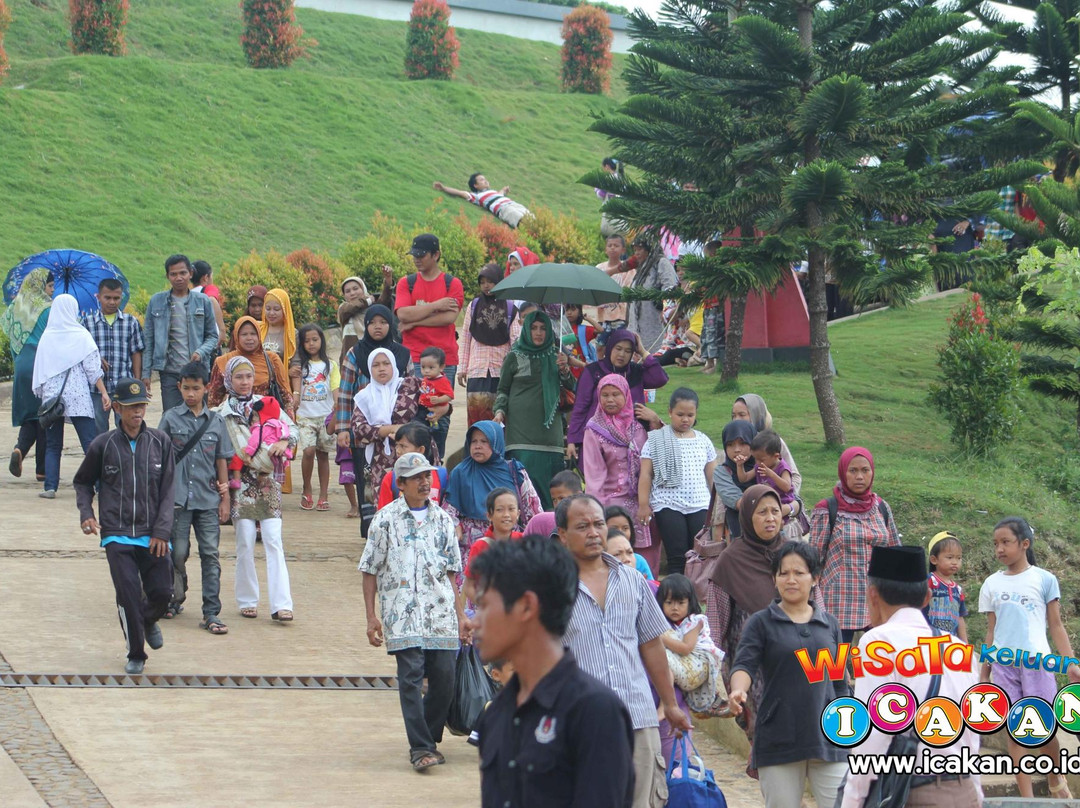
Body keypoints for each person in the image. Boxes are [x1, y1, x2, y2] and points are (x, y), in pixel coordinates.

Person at [470, 535, 635, 808]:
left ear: (526, 606)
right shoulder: (497, 712)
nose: (474, 622)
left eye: (484, 606)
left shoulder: (594, 710)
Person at [558, 493, 692, 808]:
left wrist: (670, 704)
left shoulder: (633, 581)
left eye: (598, 524)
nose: (593, 532)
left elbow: (651, 645)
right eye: (582, 526)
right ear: (562, 534)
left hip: (638, 718)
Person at [840, 545, 982, 808]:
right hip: (964, 792)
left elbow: (873, 737)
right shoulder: (959, 649)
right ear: (927, 597)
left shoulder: (878, 643)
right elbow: (972, 735)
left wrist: (852, 800)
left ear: (872, 595)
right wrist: (976, 794)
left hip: (915, 795)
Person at [359, 452, 467, 772]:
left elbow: (452, 574)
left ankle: (428, 737)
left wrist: (461, 616)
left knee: (445, 679)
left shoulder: (443, 520)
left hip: (440, 614)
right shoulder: (384, 520)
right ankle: (420, 747)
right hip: (401, 614)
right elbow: (369, 569)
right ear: (400, 484)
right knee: (410, 678)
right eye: (416, 477)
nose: (424, 482)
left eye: (427, 476)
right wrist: (371, 617)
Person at [728, 542, 848, 808]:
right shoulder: (760, 622)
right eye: (783, 573)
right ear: (774, 578)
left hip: (829, 740)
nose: (790, 580)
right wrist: (738, 690)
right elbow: (744, 665)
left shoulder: (830, 625)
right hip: (779, 738)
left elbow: (840, 684)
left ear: (815, 578)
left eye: (799, 573)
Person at [73, 378, 174, 674]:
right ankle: (136, 653)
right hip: (116, 535)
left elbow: (169, 490)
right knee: (128, 594)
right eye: (131, 407)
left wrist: (162, 530)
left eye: (141, 405)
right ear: (117, 408)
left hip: (152, 533)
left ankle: (147, 619)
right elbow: (82, 482)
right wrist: (86, 513)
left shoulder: (160, 442)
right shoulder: (102, 445)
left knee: (163, 592)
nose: (137, 411)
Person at [978, 517, 1079, 800]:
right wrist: (985, 672)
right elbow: (991, 630)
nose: (999, 549)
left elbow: (1056, 625)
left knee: (1043, 726)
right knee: (1014, 729)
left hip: (1037, 663)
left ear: (1024, 544)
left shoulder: (1045, 579)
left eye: (1005, 542)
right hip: (1003, 665)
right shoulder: (991, 584)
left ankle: (1055, 778)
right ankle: (1026, 800)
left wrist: (1071, 663)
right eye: (996, 543)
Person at [213, 356, 297, 622]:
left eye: (249, 376)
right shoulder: (221, 414)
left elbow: (293, 430)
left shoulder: (268, 404)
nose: (245, 382)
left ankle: (282, 604)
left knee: (273, 539)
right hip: (240, 482)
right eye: (239, 377)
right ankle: (247, 600)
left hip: (267, 480)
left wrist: (284, 443)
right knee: (245, 540)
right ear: (229, 380)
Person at [707, 485, 783, 761]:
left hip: (793, 657)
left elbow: (816, 603)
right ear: (748, 517)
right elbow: (715, 622)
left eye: (775, 511)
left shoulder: (793, 553)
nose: (770, 518)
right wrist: (711, 669)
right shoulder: (731, 561)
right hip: (751, 664)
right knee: (764, 732)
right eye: (762, 512)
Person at [156, 362, 232, 634]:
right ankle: (175, 594)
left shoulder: (216, 422)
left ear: (206, 388)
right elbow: (159, 457)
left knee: (210, 555)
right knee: (177, 553)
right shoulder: (169, 419)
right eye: (186, 388)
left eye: (196, 388)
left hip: (208, 498)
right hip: (176, 499)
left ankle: (211, 612)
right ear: (179, 387)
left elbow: (221, 459)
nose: (191, 393)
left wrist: (225, 499)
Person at [809, 447, 900, 643]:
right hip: (838, 601)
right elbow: (813, 558)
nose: (859, 476)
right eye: (853, 470)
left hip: (876, 599)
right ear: (843, 472)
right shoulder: (827, 509)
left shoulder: (881, 508)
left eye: (865, 470)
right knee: (835, 658)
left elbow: (895, 553)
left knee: (879, 656)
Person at [493, 310, 576, 507]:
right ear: (526, 330)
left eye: (543, 328)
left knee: (551, 485)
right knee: (522, 483)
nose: (538, 333)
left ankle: (550, 521)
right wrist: (499, 411)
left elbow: (572, 386)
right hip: (519, 432)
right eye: (534, 328)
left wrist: (564, 369)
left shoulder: (556, 355)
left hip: (550, 433)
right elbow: (503, 389)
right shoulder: (514, 356)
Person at [33, 294, 111, 499]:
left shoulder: (47, 337)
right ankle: (100, 486)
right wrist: (103, 392)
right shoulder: (81, 336)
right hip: (78, 397)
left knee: (53, 444)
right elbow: (93, 369)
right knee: (89, 443)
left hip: (53, 399)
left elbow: (39, 370)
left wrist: (43, 395)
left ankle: (50, 487)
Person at [582, 373, 660, 575]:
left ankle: (648, 586)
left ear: (626, 395)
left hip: (643, 499)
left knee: (646, 555)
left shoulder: (639, 425)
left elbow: (659, 455)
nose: (610, 400)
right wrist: (596, 511)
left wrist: (656, 421)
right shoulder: (594, 430)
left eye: (615, 394)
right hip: (611, 502)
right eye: (605, 395)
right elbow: (594, 475)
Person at [638, 388, 717, 576]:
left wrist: (717, 505)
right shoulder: (656, 440)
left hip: (699, 504)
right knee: (677, 556)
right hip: (668, 504)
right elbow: (646, 474)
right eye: (680, 414)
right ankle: (675, 593)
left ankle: (695, 594)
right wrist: (643, 504)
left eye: (690, 415)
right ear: (670, 412)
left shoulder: (703, 441)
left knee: (699, 555)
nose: (685, 419)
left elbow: (712, 476)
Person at [444, 421, 543, 562]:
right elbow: (448, 511)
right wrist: (455, 526)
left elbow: (532, 509)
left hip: (510, 544)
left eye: (484, 441)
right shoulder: (460, 472)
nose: (478, 446)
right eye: (474, 441)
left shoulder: (515, 471)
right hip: (471, 548)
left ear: (496, 443)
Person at [566, 328, 668, 453]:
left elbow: (660, 379)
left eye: (628, 351)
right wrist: (572, 441)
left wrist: (642, 351)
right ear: (610, 348)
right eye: (618, 348)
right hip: (597, 441)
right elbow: (580, 407)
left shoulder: (635, 371)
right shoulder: (593, 371)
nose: (622, 354)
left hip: (633, 441)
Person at [142, 255, 219, 412]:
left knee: (198, 416)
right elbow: (149, 339)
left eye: (183, 273)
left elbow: (213, 336)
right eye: (173, 274)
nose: (179, 278)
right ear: (167, 276)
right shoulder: (156, 301)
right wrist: (146, 373)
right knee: (172, 417)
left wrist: (200, 352)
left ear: (190, 273)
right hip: (169, 373)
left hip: (197, 371)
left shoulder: (203, 301)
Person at [352, 348, 424, 503]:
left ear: (394, 365)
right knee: (386, 505)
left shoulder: (411, 385)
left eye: (386, 363)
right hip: (382, 461)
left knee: (419, 501)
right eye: (376, 365)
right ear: (370, 369)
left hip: (416, 455)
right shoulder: (364, 397)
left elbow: (433, 401)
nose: (381, 368)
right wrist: (390, 429)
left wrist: (444, 408)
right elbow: (359, 430)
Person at [395, 233, 464, 387]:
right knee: (413, 402)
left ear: (436, 255)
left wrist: (414, 322)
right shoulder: (406, 283)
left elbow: (448, 318)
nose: (416, 259)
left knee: (441, 401)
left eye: (421, 255)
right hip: (414, 357)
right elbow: (403, 314)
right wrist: (436, 305)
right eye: (414, 255)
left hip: (444, 359)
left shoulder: (452, 284)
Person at [3, 268, 53, 481]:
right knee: (45, 416)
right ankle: (42, 469)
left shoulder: (15, 306)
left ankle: (20, 450)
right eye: (50, 286)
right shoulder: (48, 308)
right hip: (41, 363)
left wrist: (19, 361)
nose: (52, 290)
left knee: (31, 415)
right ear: (41, 286)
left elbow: (11, 338)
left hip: (22, 364)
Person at [81, 277, 145, 435]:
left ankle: (124, 451)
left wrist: (137, 381)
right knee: (98, 430)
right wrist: (96, 358)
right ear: (98, 297)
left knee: (126, 428)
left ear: (121, 297)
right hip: (96, 388)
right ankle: (101, 452)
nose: (112, 302)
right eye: (107, 298)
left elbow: (136, 352)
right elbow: (81, 353)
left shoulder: (130, 322)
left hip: (123, 385)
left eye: (116, 298)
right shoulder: (87, 323)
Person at [457, 263, 518, 426]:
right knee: (476, 418)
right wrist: (462, 368)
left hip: (501, 372)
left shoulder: (510, 307)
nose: (486, 285)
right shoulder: (474, 306)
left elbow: (516, 342)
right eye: (482, 282)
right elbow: (466, 338)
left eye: (490, 281)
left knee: (499, 418)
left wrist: (516, 371)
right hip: (477, 371)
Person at [656, 573, 725, 713]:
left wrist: (660, 638)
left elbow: (686, 648)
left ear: (690, 602)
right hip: (689, 668)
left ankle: (665, 706)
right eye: (669, 603)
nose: (675, 608)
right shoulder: (672, 623)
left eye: (680, 603)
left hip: (697, 666)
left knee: (662, 657)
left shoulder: (695, 621)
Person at [290, 323, 339, 512]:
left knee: (323, 455)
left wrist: (337, 404)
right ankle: (307, 487)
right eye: (307, 341)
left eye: (315, 340)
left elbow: (335, 386)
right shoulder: (299, 366)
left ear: (321, 341)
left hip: (325, 417)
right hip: (305, 416)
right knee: (308, 451)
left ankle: (323, 494)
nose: (311, 344)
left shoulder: (330, 365)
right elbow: (293, 384)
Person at [208, 317, 293, 410]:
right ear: (236, 336)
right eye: (244, 334)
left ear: (259, 335)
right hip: (232, 416)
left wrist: (288, 418)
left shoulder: (272, 359)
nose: (249, 338)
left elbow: (286, 397)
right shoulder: (223, 361)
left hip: (266, 416)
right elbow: (214, 400)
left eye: (253, 334)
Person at [730, 394, 802, 495]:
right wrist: (740, 465)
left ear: (756, 415)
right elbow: (741, 478)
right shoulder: (732, 441)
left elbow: (794, 478)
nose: (736, 420)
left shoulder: (771, 442)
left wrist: (788, 499)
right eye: (733, 416)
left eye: (742, 415)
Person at [463, 487, 523, 601]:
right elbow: (469, 586)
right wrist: (486, 606)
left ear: (518, 513)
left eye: (511, 509)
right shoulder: (480, 546)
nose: (506, 515)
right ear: (489, 515)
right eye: (500, 510)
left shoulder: (523, 541)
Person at [625, 236, 679, 354]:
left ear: (650, 248)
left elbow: (671, 288)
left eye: (640, 249)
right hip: (638, 324)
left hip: (654, 320)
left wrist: (665, 308)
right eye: (635, 250)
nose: (637, 253)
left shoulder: (661, 263)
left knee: (653, 355)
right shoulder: (643, 268)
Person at [376, 422, 447, 509]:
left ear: (420, 450)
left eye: (403, 446)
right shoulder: (391, 478)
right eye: (397, 445)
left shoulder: (442, 476)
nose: (398, 451)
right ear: (400, 483)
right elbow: (383, 512)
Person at [433, 173, 533, 228]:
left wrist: (504, 190)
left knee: (532, 218)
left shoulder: (493, 192)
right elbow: (460, 193)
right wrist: (443, 188)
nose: (485, 180)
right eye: (481, 180)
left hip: (513, 204)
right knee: (521, 220)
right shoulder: (477, 196)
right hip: (503, 209)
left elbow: (500, 194)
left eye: (485, 179)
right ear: (475, 185)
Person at [338, 270, 393, 366]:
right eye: (347, 291)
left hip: (373, 358)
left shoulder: (372, 308)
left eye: (355, 288)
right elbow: (352, 308)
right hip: (351, 360)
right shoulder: (343, 309)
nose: (352, 293)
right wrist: (367, 301)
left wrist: (388, 281)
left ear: (363, 288)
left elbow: (384, 299)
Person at [713, 419, 758, 538]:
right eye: (730, 444)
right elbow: (738, 502)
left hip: (772, 532)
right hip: (740, 536)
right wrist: (778, 507)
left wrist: (792, 506)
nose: (737, 449)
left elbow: (789, 494)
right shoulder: (722, 472)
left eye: (742, 443)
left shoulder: (766, 465)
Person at [924, 530, 967, 641]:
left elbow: (960, 618)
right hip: (928, 640)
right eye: (950, 557)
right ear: (934, 559)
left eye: (958, 558)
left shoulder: (957, 589)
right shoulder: (929, 581)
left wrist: (965, 644)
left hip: (950, 642)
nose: (955, 562)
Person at [417, 346, 454, 459]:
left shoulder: (442, 381)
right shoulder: (426, 379)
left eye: (431, 367)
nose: (426, 371)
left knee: (436, 433)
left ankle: (437, 457)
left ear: (441, 367)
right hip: (424, 409)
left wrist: (439, 400)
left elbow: (450, 395)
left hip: (437, 411)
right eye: (423, 367)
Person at [522, 469, 581, 539]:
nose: (558, 504)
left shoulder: (590, 520)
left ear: (579, 496)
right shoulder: (541, 522)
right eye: (554, 500)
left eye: (562, 498)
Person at [605, 507, 654, 582]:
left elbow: (651, 586)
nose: (620, 533)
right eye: (617, 554)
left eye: (625, 528)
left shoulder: (639, 560)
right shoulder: (599, 561)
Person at [596, 235, 633, 333]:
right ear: (605, 249)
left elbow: (627, 291)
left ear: (623, 250)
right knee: (601, 342)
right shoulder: (599, 268)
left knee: (619, 340)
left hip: (620, 316)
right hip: (602, 317)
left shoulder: (628, 269)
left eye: (616, 245)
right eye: (610, 245)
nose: (612, 248)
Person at [190, 261, 227, 355]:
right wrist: (222, 330)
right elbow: (211, 299)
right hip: (210, 345)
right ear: (206, 277)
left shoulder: (189, 295)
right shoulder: (208, 289)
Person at [258, 288, 297, 370]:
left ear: (285, 310)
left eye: (276, 309)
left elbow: (296, 363)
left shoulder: (292, 333)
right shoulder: (257, 328)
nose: (271, 313)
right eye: (268, 309)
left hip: (282, 376)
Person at [561, 303, 598, 376]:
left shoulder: (583, 329)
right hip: (565, 368)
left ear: (579, 312)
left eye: (573, 309)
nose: (569, 312)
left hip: (581, 368)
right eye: (566, 310)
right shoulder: (560, 330)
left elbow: (600, 329)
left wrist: (587, 318)